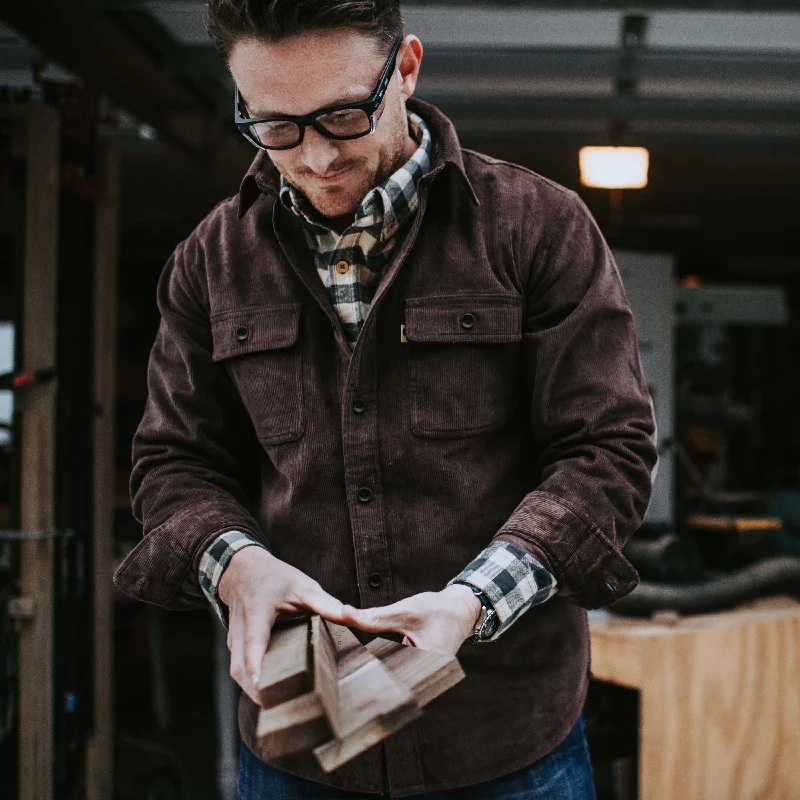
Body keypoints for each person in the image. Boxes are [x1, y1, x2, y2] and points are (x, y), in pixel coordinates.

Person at [113, 1, 658, 797]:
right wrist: (238, 566)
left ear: (404, 68)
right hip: (299, 739)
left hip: (505, 742)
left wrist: (473, 603)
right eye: (275, 127)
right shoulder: (210, 262)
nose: (316, 156)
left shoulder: (538, 230)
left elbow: (607, 452)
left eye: (341, 115)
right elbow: (173, 462)